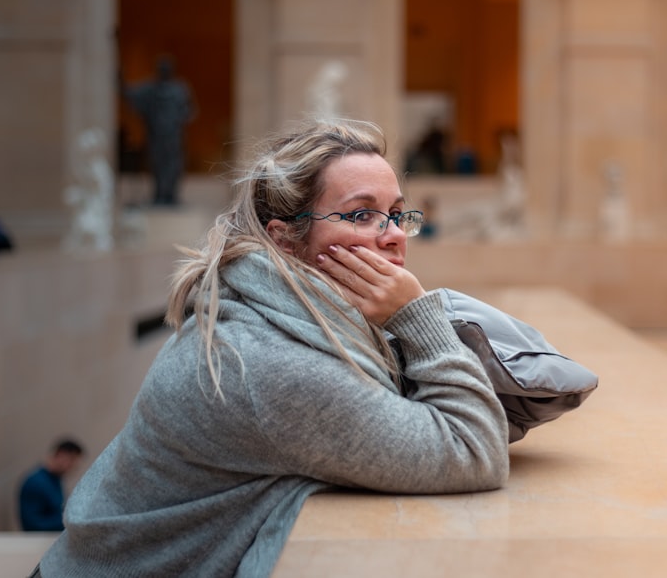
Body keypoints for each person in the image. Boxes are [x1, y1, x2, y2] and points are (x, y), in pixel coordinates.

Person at [34, 119, 509, 577]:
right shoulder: (268, 364)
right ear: (286, 240)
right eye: (362, 215)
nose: (393, 236)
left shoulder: (273, 315)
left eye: (397, 215)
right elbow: (473, 449)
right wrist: (415, 316)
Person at [122, 56, 196, 206]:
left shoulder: (179, 90)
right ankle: (160, 195)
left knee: (173, 166)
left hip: (173, 137)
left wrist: (178, 119)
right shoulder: (151, 89)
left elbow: (190, 110)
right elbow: (131, 96)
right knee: (157, 165)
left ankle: (170, 195)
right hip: (156, 136)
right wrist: (119, 79)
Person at [18, 439, 85, 532]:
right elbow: (33, 525)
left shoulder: (55, 480)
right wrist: (70, 519)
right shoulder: (36, 483)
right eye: (72, 460)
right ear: (61, 455)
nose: (73, 467)